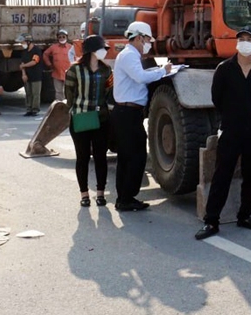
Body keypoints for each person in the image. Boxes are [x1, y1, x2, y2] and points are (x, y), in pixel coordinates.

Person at [195, 27, 251, 239]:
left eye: (250, 39)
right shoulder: (224, 69)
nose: (245, 42)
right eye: (242, 39)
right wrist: (231, 116)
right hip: (230, 128)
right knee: (222, 174)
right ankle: (211, 221)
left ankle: (245, 215)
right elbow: (216, 98)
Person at [112, 21, 172, 212]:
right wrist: (163, 71)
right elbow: (140, 77)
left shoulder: (130, 55)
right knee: (135, 156)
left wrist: (156, 71)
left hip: (128, 112)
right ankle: (126, 198)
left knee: (127, 156)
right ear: (138, 37)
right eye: (147, 39)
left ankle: (124, 197)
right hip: (127, 113)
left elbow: (140, 75)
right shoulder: (130, 55)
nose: (148, 43)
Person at [65, 35, 113, 207]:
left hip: (101, 118)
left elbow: (109, 92)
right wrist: (78, 108)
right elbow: (69, 95)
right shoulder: (73, 70)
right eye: (102, 48)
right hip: (80, 117)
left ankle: (100, 193)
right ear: (91, 51)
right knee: (82, 157)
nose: (105, 51)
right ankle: (84, 194)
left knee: (101, 156)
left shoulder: (106, 70)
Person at [43, 29, 73, 102]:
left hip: (69, 74)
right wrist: (49, 64)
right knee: (58, 92)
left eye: (63, 37)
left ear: (66, 37)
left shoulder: (71, 47)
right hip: (57, 74)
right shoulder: (53, 47)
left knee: (69, 92)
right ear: (57, 38)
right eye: (60, 37)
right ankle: (59, 107)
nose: (62, 38)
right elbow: (45, 54)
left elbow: (77, 57)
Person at [18, 33, 44, 116]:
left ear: (28, 41)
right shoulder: (24, 52)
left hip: (36, 75)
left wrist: (24, 66)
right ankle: (29, 109)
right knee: (28, 93)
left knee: (35, 93)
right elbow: (22, 63)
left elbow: (34, 61)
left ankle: (35, 109)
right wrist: (23, 74)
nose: (22, 44)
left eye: (23, 42)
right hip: (27, 76)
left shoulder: (36, 50)